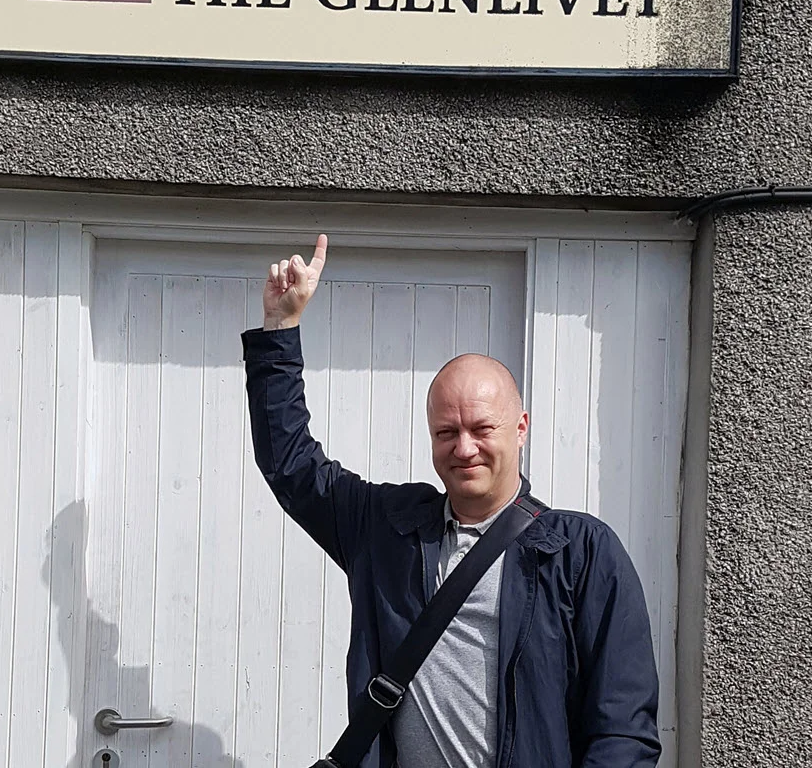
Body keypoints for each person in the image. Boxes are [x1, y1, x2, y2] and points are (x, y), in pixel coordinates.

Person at [241, 235, 661, 768]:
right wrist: (280, 330)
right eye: (447, 432)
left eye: (482, 429)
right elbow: (292, 466)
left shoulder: (582, 554)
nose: (464, 448)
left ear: (521, 428)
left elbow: (622, 732)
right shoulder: (385, 530)